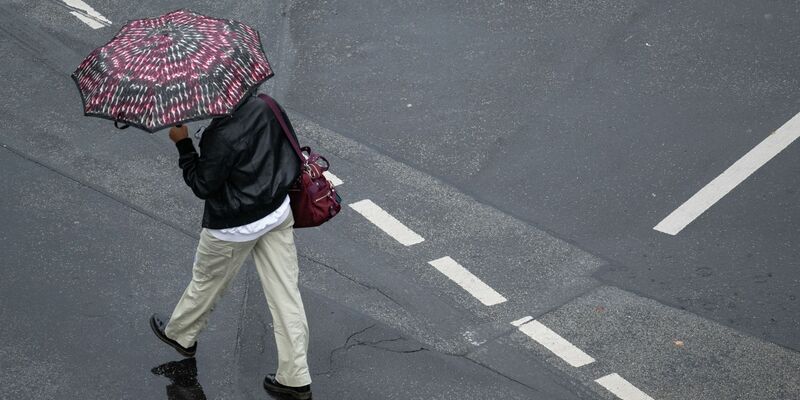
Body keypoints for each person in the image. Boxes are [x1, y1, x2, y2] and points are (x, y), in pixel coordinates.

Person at [149, 93, 313, 400]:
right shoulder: (267, 105)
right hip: (276, 213)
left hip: (233, 227)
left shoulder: (219, 136)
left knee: (207, 282)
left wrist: (183, 144)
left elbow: (202, 185)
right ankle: (295, 377)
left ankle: (182, 335)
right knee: (286, 295)